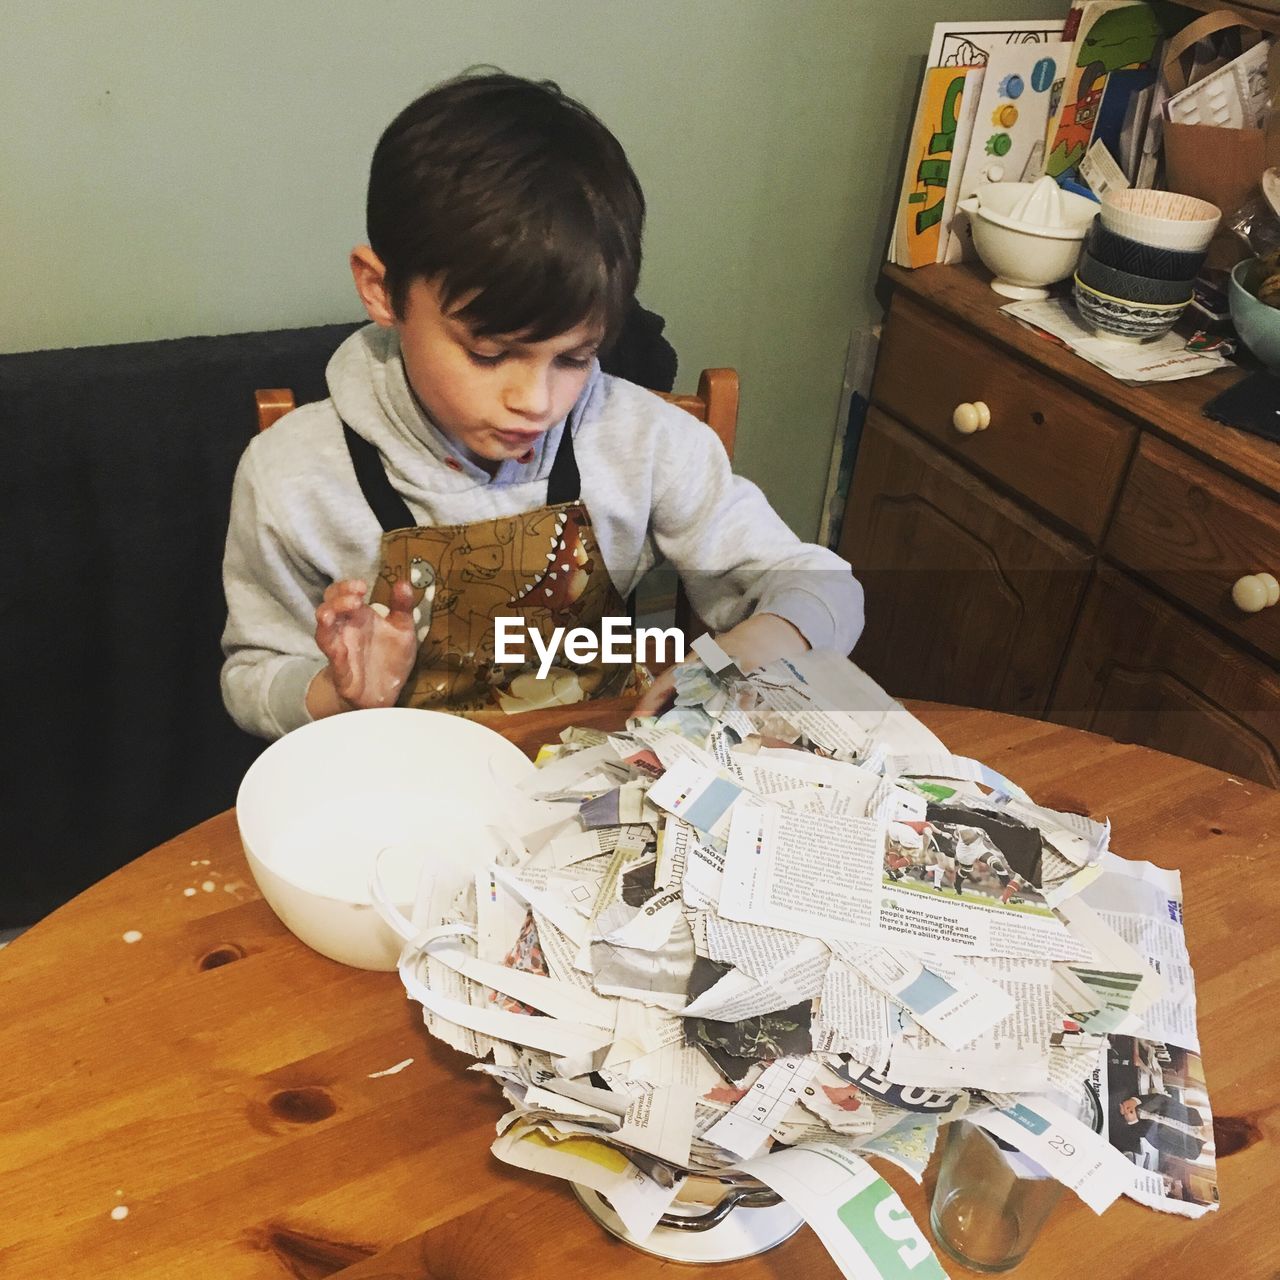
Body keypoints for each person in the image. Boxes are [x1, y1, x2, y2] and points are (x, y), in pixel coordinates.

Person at [221, 71, 863, 739]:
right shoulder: (292, 476)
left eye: (574, 358)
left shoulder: (643, 443)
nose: (535, 403)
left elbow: (824, 586)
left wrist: (752, 647)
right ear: (381, 290)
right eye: (490, 354)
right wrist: (335, 691)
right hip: (401, 801)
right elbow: (251, 679)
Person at [1116, 1093, 1207, 1162]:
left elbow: (1158, 1143)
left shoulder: (1193, 1152)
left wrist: (1133, 1122)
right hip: (1135, 1104)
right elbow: (1163, 1100)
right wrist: (1136, 1102)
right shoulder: (1194, 1114)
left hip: (1133, 1130)